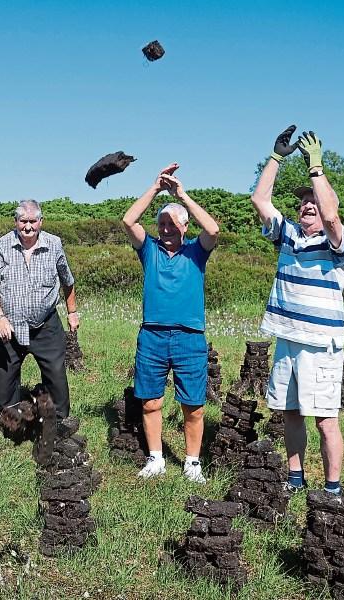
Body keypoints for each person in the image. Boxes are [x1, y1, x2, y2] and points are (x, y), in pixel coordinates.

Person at [251, 126, 344, 496]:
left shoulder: (338, 244)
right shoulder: (289, 235)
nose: (306, 205)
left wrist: (316, 169)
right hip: (288, 339)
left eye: (313, 200)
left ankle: (332, 488)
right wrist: (276, 158)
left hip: (320, 344)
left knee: (326, 420)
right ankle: (296, 478)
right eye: (302, 202)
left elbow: (331, 216)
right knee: (290, 412)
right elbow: (261, 200)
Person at [122, 164, 219, 483]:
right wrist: (155, 188)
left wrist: (181, 195)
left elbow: (214, 230)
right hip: (152, 336)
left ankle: (192, 463)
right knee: (150, 400)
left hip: (190, 338)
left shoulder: (196, 251)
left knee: (193, 405)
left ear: (185, 226)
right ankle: (156, 459)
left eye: (171, 223)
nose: (164, 228)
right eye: (161, 222)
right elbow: (128, 220)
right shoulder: (148, 250)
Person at [0, 199, 79, 422]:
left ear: (40, 221)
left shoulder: (54, 245)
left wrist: (72, 312)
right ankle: (8, 422)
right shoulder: (2, 246)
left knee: (56, 375)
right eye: (23, 221)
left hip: (46, 325)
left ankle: (58, 422)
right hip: (10, 326)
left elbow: (67, 280)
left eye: (33, 221)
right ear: (15, 222)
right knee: (5, 382)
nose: (28, 226)